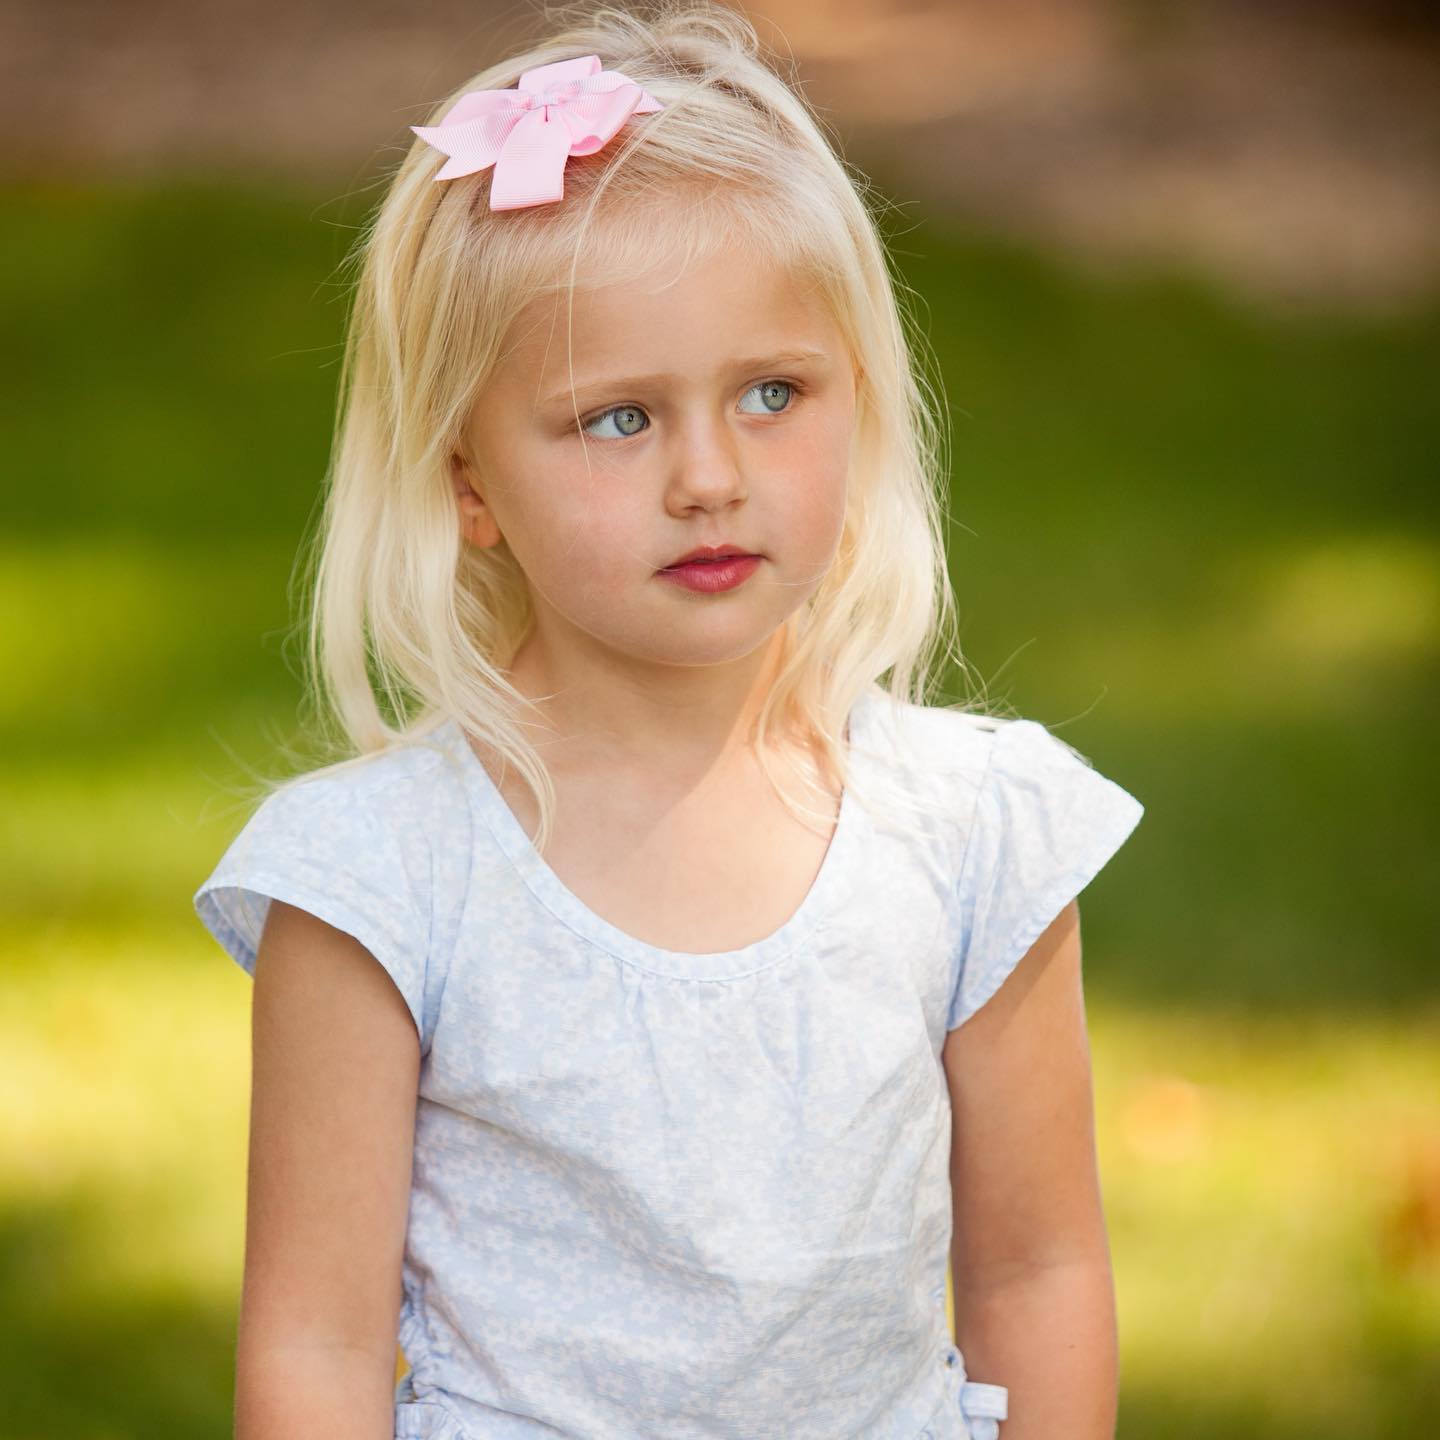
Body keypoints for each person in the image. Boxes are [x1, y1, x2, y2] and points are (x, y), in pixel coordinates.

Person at [192, 4, 1146, 1438]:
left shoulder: (974, 835)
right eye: (618, 419)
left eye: (772, 393)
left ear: (860, 398)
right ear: (466, 479)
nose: (709, 477)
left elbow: (1039, 1269)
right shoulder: (381, 883)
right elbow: (315, 1350)